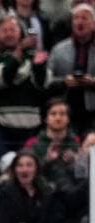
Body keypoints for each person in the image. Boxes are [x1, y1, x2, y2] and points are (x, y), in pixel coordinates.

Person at [0, 13, 51, 166]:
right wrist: (18, 54)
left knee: (28, 168)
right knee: (0, 168)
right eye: (4, 30)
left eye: (13, 29)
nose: (9, 34)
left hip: (29, 124)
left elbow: (43, 85)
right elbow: (0, 80)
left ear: (21, 32)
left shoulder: (32, 55)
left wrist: (39, 67)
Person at [47, 3, 95, 132]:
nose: (80, 22)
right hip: (65, 110)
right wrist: (63, 82)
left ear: (93, 24)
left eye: (84, 18)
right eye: (76, 18)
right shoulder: (58, 49)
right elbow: (47, 80)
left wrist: (93, 82)